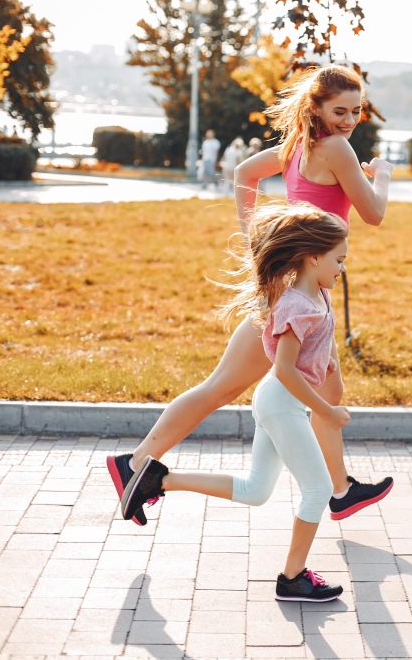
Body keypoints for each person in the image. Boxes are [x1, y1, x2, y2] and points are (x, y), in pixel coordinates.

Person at [106, 64, 394, 527]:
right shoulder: (337, 148)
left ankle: (340, 490)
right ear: (315, 107)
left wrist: (254, 235)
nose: (348, 120)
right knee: (220, 388)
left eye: (356, 111)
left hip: (302, 286)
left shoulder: (301, 146)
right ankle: (135, 463)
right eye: (339, 110)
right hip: (294, 293)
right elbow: (374, 213)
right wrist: (381, 174)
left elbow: (244, 172)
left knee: (329, 384)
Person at [121, 203, 350, 602]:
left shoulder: (319, 294)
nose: (342, 268)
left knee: (255, 489)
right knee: (317, 489)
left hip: (280, 404)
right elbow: (283, 369)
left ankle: (158, 481)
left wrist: (326, 360)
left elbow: (314, 346)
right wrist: (327, 411)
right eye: (339, 259)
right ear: (314, 258)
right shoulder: (295, 304)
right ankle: (292, 578)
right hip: (281, 402)